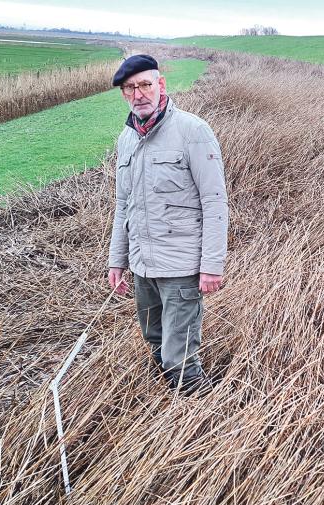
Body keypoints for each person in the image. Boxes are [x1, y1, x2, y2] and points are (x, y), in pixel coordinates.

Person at [106, 54, 228, 395]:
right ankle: (171, 402)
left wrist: (212, 265)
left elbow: (214, 201)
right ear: (124, 94)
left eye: (145, 84)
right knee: (154, 338)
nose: (138, 94)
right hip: (143, 267)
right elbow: (123, 205)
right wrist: (118, 260)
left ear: (160, 85)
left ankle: (199, 412)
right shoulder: (127, 139)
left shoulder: (193, 131)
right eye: (130, 88)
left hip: (181, 267)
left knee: (179, 353)